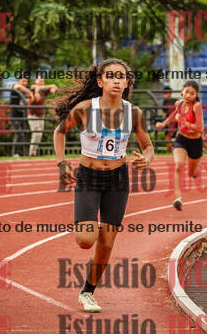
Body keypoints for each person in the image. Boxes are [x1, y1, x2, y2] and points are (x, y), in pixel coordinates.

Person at [53, 58, 154, 312]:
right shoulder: (86, 109)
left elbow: (148, 146)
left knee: (107, 243)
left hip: (117, 179)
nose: (117, 81)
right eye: (111, 76)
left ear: (127, 82)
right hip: (89, 177)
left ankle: (87, 292)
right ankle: (88, 221)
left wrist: (146, 158)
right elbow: (60, 132)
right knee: (86, 240)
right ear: (100, 82)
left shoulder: (133, 113)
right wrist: (62, 163)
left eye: (122, 76)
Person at [156, 80, 204, 211]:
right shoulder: (179, 104)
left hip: (195, 142)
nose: (188, 95)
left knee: (191, 173)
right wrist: (163, 124)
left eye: (192, 93)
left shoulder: (197, 106)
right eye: (186, 92)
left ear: (196, 95)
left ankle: (196, 169)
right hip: (182, 139)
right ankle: (178, 198)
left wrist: (184, 122)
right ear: (182, 91)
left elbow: (200, 128)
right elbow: (173, 115)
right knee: (178, 166)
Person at [28, 76, 58, 156]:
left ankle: (33, 152)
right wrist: (51, 86)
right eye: (40, 80)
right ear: (35, 81)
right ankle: (31, 153)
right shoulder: (33, 88)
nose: (42, 82)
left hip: (40, 116)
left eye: (42, 81)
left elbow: (54, 88)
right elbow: (36, 90)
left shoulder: (43, 90)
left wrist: (53, 89)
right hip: (33, 115)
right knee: (36, 133)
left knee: (39, 134)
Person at [11, 77, 33, 157]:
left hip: (23, 115)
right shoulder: (15, 87)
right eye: (23, 81)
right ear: (18, 81)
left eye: (26, 81)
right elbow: (18, 86)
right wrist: (30, 92)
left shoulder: (25, 90)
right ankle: (14, 153)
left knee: (24, 135)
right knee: (19, 134)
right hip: (15, 116)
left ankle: (24, 153)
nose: (25, 83)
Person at [161, 85, 177, 153]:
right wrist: (163, 122)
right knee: (167, 139)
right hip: (168, 122)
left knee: (170, 138)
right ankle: (170, 152)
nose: (166, 95)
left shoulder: (175, 101)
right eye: (165, 93)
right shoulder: (165, 102)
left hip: (174, 122)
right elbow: (164, 113)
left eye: (167, 93)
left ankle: (173, 149)